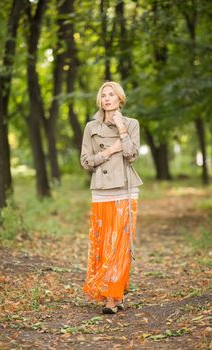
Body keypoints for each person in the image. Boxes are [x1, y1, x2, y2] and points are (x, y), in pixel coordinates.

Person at [80, 81, 143, 314]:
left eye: (112, 95)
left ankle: (113, 296)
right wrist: (109, 150)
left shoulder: (131, 124)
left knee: (121, 245)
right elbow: (85, 161)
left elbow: (132, 155)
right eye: (103, 95)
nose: (107, 98)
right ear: (100, 100)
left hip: (126, 188)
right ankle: (113, 292)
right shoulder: (90, 127)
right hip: (102, 190)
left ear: (120, 99)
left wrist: (122, 130)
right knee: (104, 244)